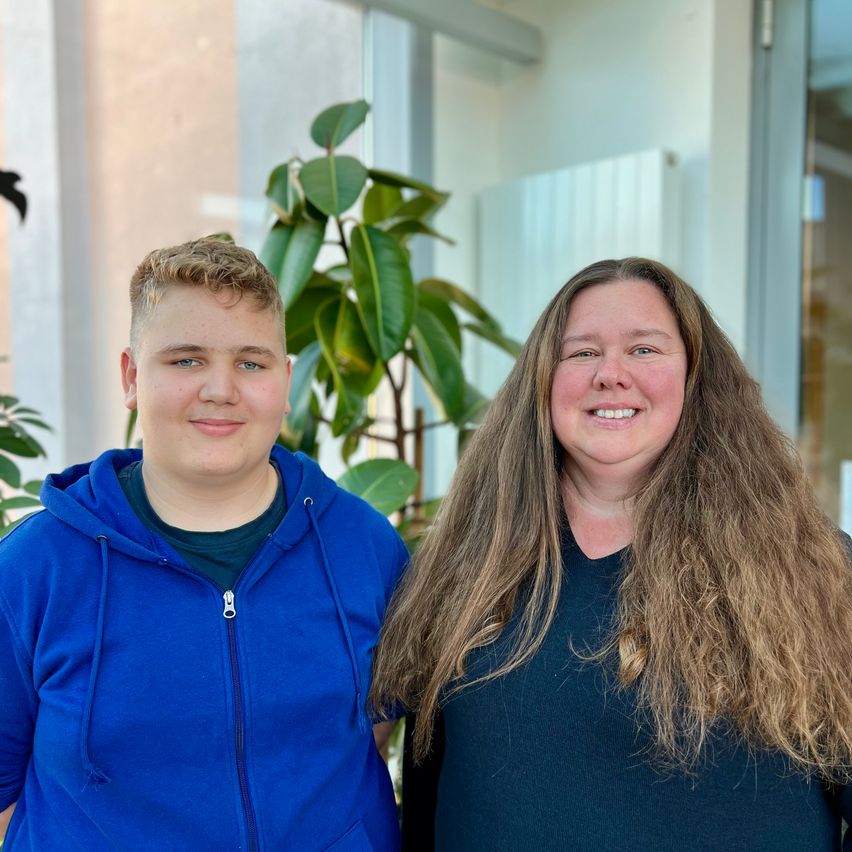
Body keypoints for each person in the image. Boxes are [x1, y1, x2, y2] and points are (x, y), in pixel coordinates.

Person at [370, 257, 852, 851]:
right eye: (581, 353)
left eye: (645, 350)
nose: (611, 374)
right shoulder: (463, 569)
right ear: (542, 381)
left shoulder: (815, 570)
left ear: (696, 376)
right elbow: (426, 797)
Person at [0, 239, 408, 850]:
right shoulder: (35, 569)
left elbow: (372, 732)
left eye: (251, 362)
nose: (221, 388)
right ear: (132, 377)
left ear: (286, 380)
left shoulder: (364, 547)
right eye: (186, 360)